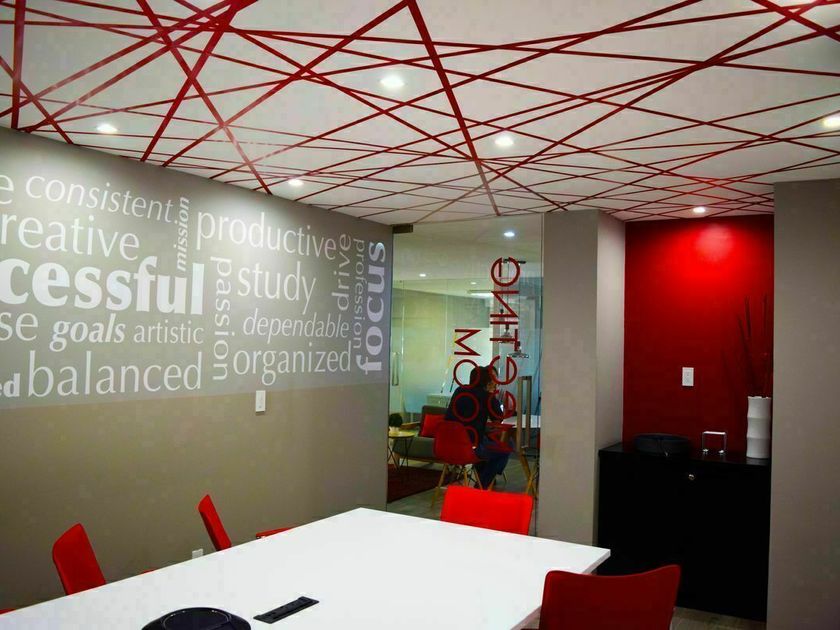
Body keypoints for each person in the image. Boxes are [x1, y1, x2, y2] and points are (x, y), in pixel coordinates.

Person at [445, 365, 511, 489]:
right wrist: (492, 395)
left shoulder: (459, 390)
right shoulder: (487, 396)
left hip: (447, 445)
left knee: (485, 443)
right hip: (470, 447)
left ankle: (483, 478)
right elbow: (498, 418)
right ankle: (481, 486)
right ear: (488, 381)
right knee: (505, 448)